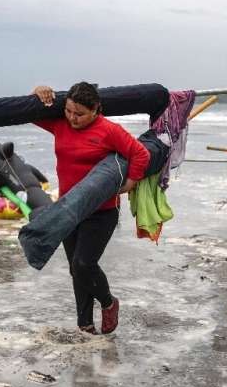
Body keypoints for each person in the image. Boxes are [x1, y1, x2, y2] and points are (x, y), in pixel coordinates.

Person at [32, 81, 150, 334]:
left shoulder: (109, 130)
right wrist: (37, 94)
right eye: (69, 111)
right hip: (68, 209)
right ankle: (85, 324)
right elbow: (31, 114)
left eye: (80, 114)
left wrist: (131, 182)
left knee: (84, 264)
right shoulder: (60, 123)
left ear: (96, 109)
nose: (73, 118)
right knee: (76, 270)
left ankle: (109, 302)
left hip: (102, 211)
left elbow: (140, 154)